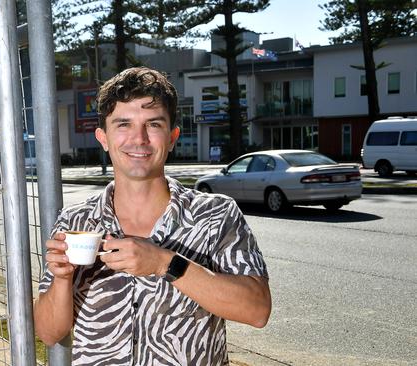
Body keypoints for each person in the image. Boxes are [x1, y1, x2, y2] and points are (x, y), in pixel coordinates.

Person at [34, 67, 271, 365]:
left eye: (153, 124)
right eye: (123, 124)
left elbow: (258, 310)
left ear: (172, 137)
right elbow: (48, 333)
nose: (139, 139)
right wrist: (62, 279)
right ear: (103, 138)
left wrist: (165, 264)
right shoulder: (75, 221)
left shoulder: (216, 215)